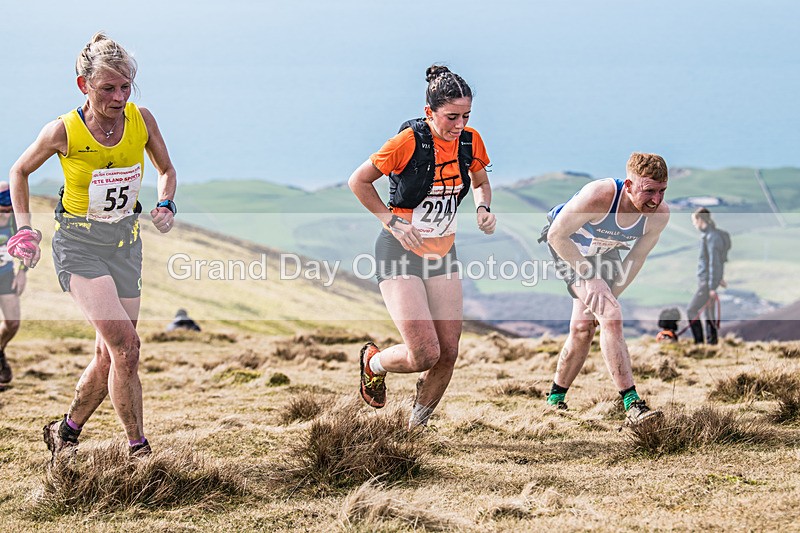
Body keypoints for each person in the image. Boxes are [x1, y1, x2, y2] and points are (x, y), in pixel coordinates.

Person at [8, 32, 177, 461]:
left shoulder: (142, 120)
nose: (119, 98)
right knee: (127, 348)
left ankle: (64, 432)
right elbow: (19, 171)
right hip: (79, 247)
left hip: (126, 246)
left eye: (126, 87)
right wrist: (24, 230)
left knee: (108, 356)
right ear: (84, 85)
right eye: (108, 89)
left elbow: (167, 170)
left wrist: (165, 203)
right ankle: (139, 451)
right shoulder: (63, 130)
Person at [348, 65, 495, 429]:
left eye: (466, 116)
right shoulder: (407, 142)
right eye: (451, 117)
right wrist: (392, 221)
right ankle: (374, 364)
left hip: (443, 254)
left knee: (448, 353)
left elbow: (480, 182)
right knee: (425, 353)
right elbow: (359, 181)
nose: (459, 125)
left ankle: (416, 430)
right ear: (430, 111)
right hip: (399, 253)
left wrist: (483, 208)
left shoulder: (470, 141)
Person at [539, 153, 669, 426]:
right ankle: (633, 406)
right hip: (569, 247)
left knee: (583, 328)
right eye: (649, 191)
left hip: (604, 252)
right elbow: (556, 235)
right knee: (611, 315)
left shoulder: (659, 216)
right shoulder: (600, 196)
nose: (655, 200)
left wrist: (612, 294)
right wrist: (591, 279)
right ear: (629, 185)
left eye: (662, 191)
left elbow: (636, 258)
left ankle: (554, 400)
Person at [0, 182, 27, 386]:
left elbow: (26, 245)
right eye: (3, 210)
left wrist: (22, 272)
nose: (7, 214)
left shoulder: (16, 219)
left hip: (6, 274)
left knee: (13, 323)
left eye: (10, 210)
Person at [687, 207, 726, 344]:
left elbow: (714, 262)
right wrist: (718, 279)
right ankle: (712, 343)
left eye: (694, 221)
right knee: (708, 312)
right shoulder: (711, 235)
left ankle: (699, 343)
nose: (694, 224)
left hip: (706, 282)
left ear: (700, 219)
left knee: (691, 310)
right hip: (708, 281)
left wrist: (712, 287)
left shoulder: (711, 237)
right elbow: (717, 261)